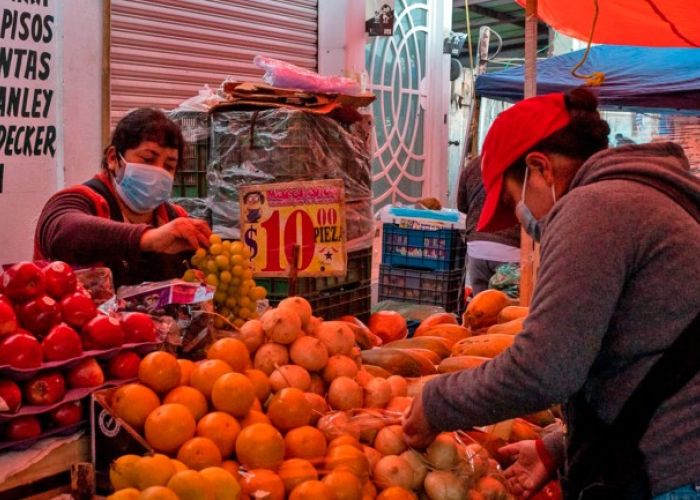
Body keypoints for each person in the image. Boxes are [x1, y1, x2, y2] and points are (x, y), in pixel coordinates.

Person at [403, 89, 700, 498]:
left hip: (670, 476)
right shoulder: (650, 197)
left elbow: (545, 369)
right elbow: (645, 354)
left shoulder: (595, 206)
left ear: (539, 167)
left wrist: (437, 402)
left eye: (515, 201)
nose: (527, 222)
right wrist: (555, 446)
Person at [35, 108, 211, 287]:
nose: (158, 171)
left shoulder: (175, 219)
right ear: (113, 158)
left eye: (169, 166)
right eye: (148, 159)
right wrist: (148, 238)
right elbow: (62, 231)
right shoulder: (82, 200)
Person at [457, 155, 520, 295]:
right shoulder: (519, 162)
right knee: (508, 311)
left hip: (477, 247)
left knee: (480, 310)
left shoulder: (473, 165)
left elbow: (462, 205)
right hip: (512, 252)